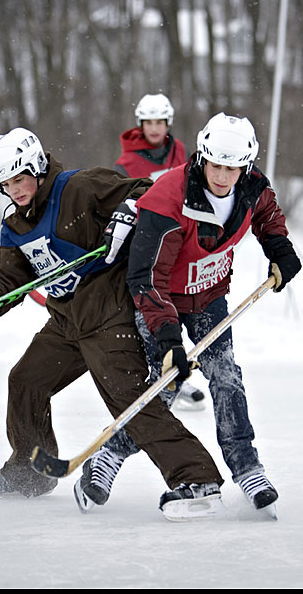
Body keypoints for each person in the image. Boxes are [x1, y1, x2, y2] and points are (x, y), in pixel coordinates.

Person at [0, 126, 223, 519]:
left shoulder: (80, 187)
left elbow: (147, 192)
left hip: (108, 318)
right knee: (26, 381)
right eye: (6, 185)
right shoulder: (15, 225)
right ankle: (31, 472)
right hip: (65, 323)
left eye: (19, 179)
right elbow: (11, 275)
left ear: (37, 167)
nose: (15, 190)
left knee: (130, 402)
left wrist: (127, 211)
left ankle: (198, 478)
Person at [74, 112, 302, 519]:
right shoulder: (168, 198)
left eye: (233, 168)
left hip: (209, 297)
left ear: (246, 165)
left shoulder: (251, 184)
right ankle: (107, 458)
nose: (223, 176)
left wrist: (279, 248)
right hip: (160, 299)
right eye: (215, 165)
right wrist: (168, 339)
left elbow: (267, 215)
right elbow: (145, 277)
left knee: (226, 375)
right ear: (202, 157)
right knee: (165, 384)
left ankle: (247, 468)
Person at [114, 93, 206, 410]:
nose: (154, 128)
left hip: (177, 240)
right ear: (140, 124)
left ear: (168, 123)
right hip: (143, 243)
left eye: (160, 122)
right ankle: (159, 379)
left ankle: (175, 372)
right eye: (149, 122)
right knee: (149, 312)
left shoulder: (179, 151)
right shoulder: (126, 164)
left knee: (176, 306)